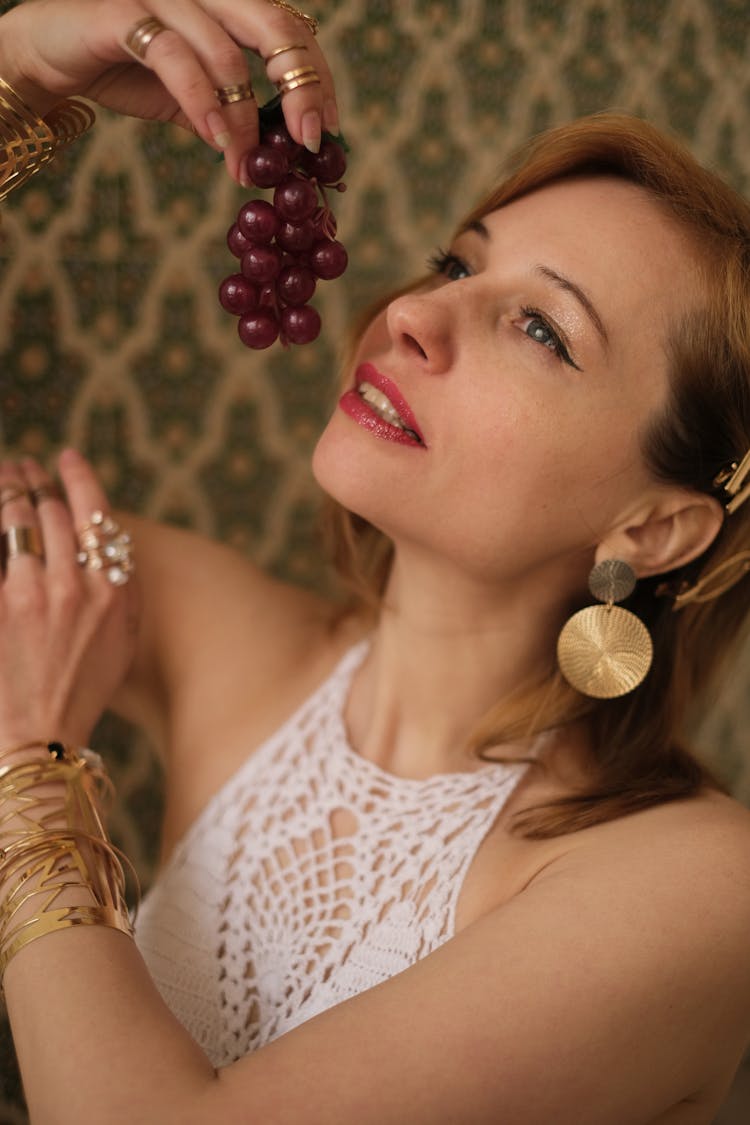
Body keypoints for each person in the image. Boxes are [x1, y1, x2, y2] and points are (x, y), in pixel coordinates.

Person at [0, 1, 750, 1122]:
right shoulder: (221, 636)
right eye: (457, 265)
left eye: (542, 329)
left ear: (653, 528)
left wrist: (30, 768)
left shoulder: (700, 886)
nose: (412, 317)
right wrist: (15, 78)